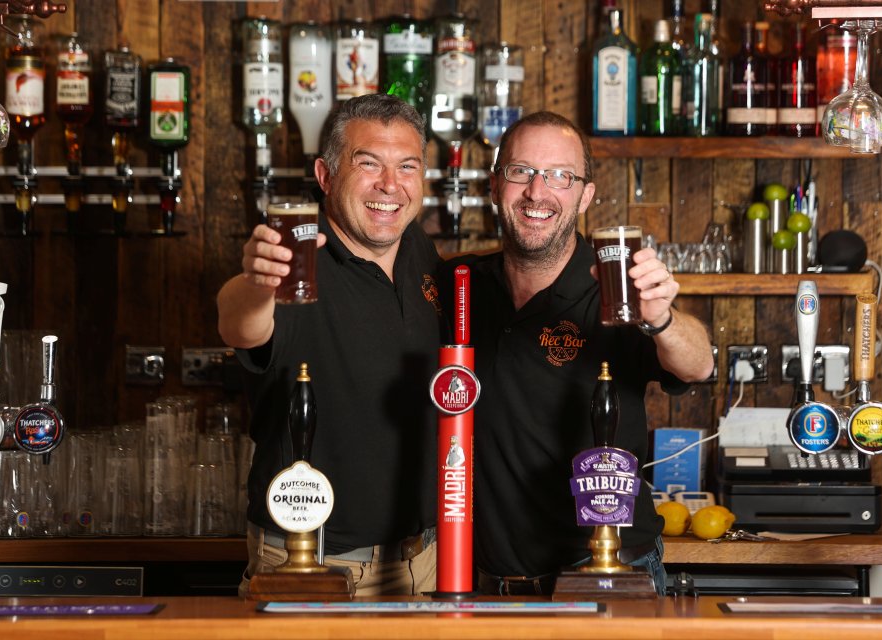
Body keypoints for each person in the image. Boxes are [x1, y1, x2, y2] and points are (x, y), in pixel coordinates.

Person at [441, 111, 714, 596]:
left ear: (585, 195)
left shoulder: (616, 290)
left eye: (560, 176)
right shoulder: (459, 284)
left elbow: (698, 364)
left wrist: (663, 319)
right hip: (488, 583)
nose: (537, 191)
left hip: (609, 571)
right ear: (494, 184)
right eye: (521, 171)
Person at [218, 94, 441, 597]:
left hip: (424, 562)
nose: (390, 185)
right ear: (325, 175)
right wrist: (258, 282)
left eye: (407, 166)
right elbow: (239, 322)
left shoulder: (420, 252)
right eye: (369, 164)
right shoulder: (297, 261)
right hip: (313, 565)